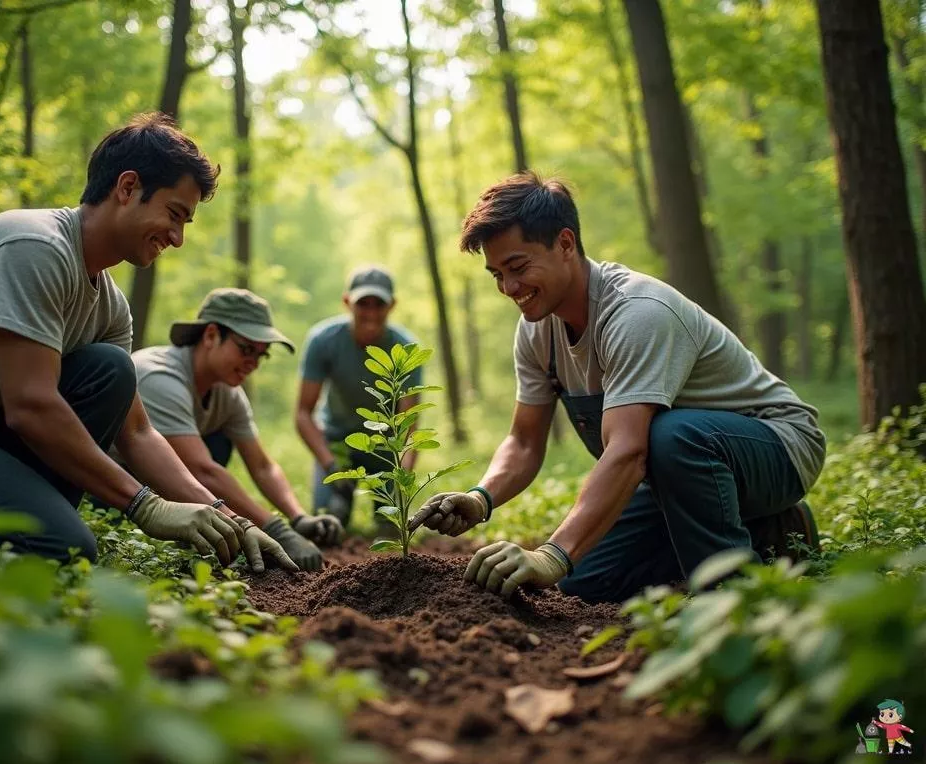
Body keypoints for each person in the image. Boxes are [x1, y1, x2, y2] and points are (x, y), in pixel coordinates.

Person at [0, 112, 296, 573]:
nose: (178, 238)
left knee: (110, 369)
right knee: (63, 548)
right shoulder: (33, 246)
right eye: (174, 214)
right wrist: (145, 506)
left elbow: (137, 432)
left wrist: (227, 518)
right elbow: (30, 405)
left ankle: (10, 518)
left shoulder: (110, 306)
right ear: (127, 188)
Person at [410, 172, 825, 601]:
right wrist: (480, 499)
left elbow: (629, 450)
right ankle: (771, 533)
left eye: (518, 267)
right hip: (678, 474)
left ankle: (733, 602)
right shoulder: (536, 330)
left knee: (669, 437)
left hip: (776, 447)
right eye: (496, 274)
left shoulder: (636, 313)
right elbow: (524, 441)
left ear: (566, 244)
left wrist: (551, 554)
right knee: (581, 582)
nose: (509, 288)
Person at [121, 288, 345, 570]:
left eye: (261, 355)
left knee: (218, 441)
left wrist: (298, 518)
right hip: (117, 493)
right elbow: (202, 469)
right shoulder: (159, 377)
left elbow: (262, 466)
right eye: (247, 349)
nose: (253, 364)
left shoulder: (227, 391)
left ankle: (195, 531)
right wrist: (277, 531)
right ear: (212, 335)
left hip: (165, 492)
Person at [295, 265, 422, 526]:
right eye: (363, 303)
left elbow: (409, 424)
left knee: (392, 527)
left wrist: (403, 478)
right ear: (347, 302)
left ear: (392, 305)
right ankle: (338, 500)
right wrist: (331, 466)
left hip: (386, 449)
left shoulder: (406, 349)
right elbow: (303, 413)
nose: (371, 312)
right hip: (337, 444)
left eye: (379, 304)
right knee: (327, 522)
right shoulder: (323, 341)